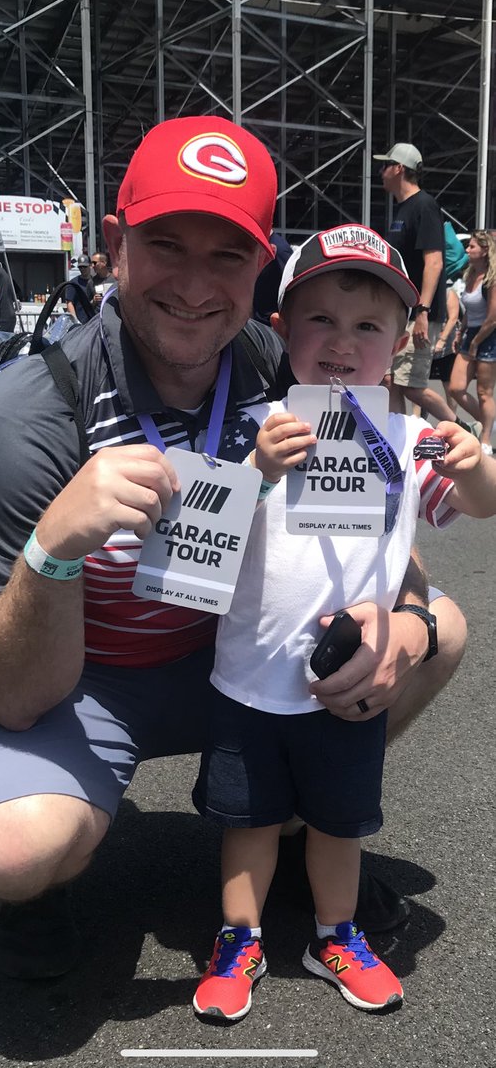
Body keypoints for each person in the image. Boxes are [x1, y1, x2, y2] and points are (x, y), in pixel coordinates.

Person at [0, 117, 465, 983]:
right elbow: (8, 691)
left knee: (442, 630)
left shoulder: (281, 363)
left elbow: (370, 516)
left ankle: (298, 830)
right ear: (116, 245)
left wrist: (407, 618)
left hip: (231, 652)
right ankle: (36, 887)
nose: (194, 286)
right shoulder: (23, 419)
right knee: (14, 848)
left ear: (261, 267)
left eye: (226, 256)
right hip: (83, 678)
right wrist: (55, 548)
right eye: (166, 245)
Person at [192, 227, 496, 1020]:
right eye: (320, 319)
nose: (342, 342)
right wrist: (257, 470)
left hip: (349, 679)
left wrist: (476, 464)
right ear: (282, 328)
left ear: (400, 342)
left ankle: (336, 934)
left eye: (367, 326)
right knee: (249, 822)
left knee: (338, 824)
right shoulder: (249, 426)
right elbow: (204, 533)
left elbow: (479, 504)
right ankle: (238, 938)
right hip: (248, 679)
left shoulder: (406, 437)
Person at [373, 143, 457, 424]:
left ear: (399, 168)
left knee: (411, 385)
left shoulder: (424, 206)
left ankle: (461, 427)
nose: (381, 171)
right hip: (402, 311)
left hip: (418, 312)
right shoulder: (403, 209)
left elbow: (434, 262)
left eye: (385, 165)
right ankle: (396, 437)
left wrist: (423, 311)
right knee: (390, 382)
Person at [449, 231, 496, 456]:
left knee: (484, 392)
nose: (467, 250)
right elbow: (469, 310)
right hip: (471, 334)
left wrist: (477, 341)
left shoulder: (491, 278)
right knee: (456, 388)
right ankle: (488, 422)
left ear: (485, 251)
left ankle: (485, 438)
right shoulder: (470, 274)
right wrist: (461, 332)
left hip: (489, 335)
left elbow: (493, 318)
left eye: (472, 247)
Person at [429, 282, 462, 414]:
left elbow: (453, 318)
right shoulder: (424, 292)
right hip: (426, 345)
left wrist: (442, 340)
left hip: (445, 348)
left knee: (448, 383)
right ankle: (417, 415)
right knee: (417, 384)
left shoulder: (448, 292)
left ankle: (452, 416)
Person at [64, 253, 96, 323]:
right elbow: (69, 303)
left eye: (85, 266)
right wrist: (75, 321)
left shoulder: (96, 281)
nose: (82, 269)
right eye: (80, 267)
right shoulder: (73, 283)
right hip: (81, 322)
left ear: (90, 266)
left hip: (94, 321)